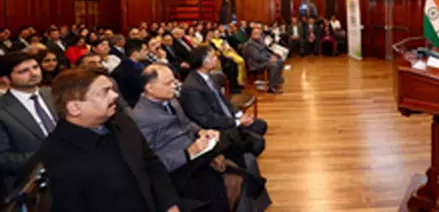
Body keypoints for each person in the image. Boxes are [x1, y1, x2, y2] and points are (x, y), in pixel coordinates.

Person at [37, 67, 185, 212]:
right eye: (104, 92)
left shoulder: (122, 121)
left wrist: (170, 204)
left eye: (112, 89)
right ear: (75, 108)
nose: (114, 95)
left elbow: (152, 164)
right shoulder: (54, 157)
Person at [134, 64, 243, 211]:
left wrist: (201, 132)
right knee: (220, 183)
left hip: (195, 153)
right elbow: (151, 162)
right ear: (149, 88)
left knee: (231, 144)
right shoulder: (141, 117)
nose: (174, 86)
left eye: (174, 81)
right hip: (178, 169)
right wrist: (187, 153)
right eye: (168, 83)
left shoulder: (171, 101)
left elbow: (186, 123)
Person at [180, 46, 267, 157]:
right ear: (203, 63)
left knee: (260, 125)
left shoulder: (208, 77)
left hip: (227, 118)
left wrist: (239, 115)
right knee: (258, 142)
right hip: (217, 128)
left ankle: (242, 150)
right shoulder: (192, 88)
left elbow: (223, 100)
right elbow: (206, 119)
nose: (216, 59)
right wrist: (237, 122)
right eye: (212, 57)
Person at [0, 52, 57, 191]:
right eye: (24, 71)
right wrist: (49, 155)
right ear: (6, 79)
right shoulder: (3, 110)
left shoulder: (52, 94)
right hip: (31, 185)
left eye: (35, 67)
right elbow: (3, 159)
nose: (34, 73)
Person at [243, 28, 284, 94]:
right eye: (255, 33)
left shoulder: (260, 40)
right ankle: (271, 87)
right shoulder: (250, 44)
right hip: (256, 64)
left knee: (280, 61)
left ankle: (276, 82)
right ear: (252, 34)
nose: (257, 35)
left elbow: (265, 51)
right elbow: (257, 57)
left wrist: (272, 56)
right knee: (274, 65)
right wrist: (269, 59)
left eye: (258, 33)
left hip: (263, 60)